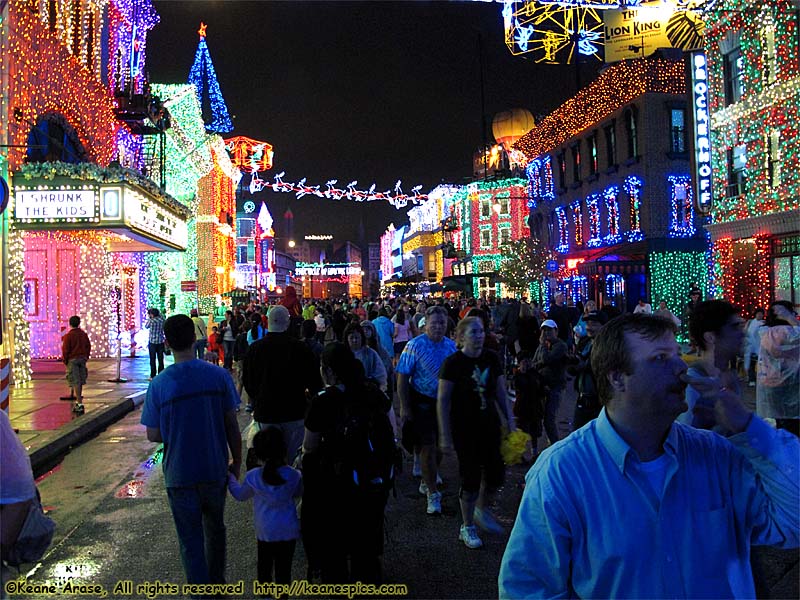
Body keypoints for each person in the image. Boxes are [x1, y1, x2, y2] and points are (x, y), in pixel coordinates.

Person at [499, 313, 800, 598]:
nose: (681, 368)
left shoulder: (716, 454)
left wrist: (749, 426)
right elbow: (529, 588)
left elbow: (791, 522)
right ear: (618, 378)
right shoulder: (562, 473)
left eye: (677, 354)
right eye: (660, 359)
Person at [140, 314, 242, 587]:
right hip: (214, 467)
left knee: (190, 540)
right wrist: (237, 462)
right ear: (192, 339)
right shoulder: (218, 375)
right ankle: (217, 584)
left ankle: (199, 592)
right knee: (216, 531)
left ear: (167, 342)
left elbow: (153, 434)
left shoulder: (160, 384)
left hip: (180, 473)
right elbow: (231, 424)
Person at [301, 343, 394, 583]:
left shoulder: (323, 400)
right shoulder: (371, 391)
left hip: (335, 476)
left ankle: (337, 580)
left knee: (336, 533)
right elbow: (391, 425)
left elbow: (309, 444)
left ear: (330, 371)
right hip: (371, 473)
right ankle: (368, 575)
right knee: (366, 530)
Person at [438, 317, 515, 549]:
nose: (479, 335)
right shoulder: (452, 363)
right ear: (461, 337)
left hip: (490, 425)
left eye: (481, 331)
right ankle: (467, 525)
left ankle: (483, 508)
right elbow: (443, 401)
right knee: (470, 478)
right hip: (464, 429)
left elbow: (501, 393)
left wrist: (511, 422)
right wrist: (444, 434)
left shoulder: (491, 358)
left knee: (496, 475)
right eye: (473, 332)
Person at [396, 306, 457, 515]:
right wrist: (404, 406)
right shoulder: (414, 346)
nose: (438, 327)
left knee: (440, 448)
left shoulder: (451, 347)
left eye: (442, 323)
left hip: (444, 403)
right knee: (427, 446)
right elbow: (402, 377)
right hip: (421, 401)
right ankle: (432, 493)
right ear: (426, 325)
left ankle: (427, 476)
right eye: (434, 323)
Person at [243, 305, 323, 462]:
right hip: (295, 411)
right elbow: (314, 381)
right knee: (293, 459)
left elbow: (248, 382)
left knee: (269, 460)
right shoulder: (300, 348)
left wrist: (257, 398)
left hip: (266, 412)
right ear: (287, 323)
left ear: (268, 323)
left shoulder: (255, 350)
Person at [228, 427, 302, 587]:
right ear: (284, 449)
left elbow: (240, 495)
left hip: (265, 532)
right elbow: (297, 493)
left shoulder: (253, 476)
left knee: (264, 569)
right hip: (288, 531)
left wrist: (231, 478)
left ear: (259, 454)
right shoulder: (293, 475)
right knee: (284, 572)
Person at [677, 300, 745, 429]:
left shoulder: (729, 378)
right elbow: (687, 437)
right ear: (710, 337)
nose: (742, 333)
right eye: (734, 327)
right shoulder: (694, 385)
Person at [757, 300, 800, 435]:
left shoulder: (764, 331)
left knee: (780, 421)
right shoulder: (786, 331)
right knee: (792, 423)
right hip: (790, 383)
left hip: (770, 382)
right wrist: (790, 318)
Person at [531, 319, 568, 445]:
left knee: (549, 419)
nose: (546, 333)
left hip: (555, 386)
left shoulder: (560, 346)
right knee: (540, 417)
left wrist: (542, 346)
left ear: (556, 331)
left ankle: (554, 444)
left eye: (549, 330)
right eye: (544, 330)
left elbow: (547, 359)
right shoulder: (542, 346)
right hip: (542, 386)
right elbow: (535, 362)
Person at [570, 311, 606, 430]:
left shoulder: (608, 346)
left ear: (603, 325)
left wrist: (585, 365)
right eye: (588, 323)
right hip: (583, 399)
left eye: (594, 324)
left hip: (601, 403)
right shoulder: (584, 342)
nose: (589, 327)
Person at [61, 315, 91, 414]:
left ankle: (79, 403)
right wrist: (86, 356)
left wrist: (65, 360)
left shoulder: (68, 336)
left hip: (73, 360)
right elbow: (88, 346)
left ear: (70, 324)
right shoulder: (83, 334)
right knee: (80, 380)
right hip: (82, 359)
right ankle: (79, 401)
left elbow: (65, 349)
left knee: (75, 381)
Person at [345, 323, 388, 392]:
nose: (354, 341)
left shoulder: (371, 353)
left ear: (362, 337)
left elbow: (381, 374)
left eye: (357, 337)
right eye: (351, 338)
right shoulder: (343, 353)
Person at [743, 307, 766, 388]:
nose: (760, 315)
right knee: (751, 363)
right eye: (758, 313)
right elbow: (745, 332)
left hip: (760, 347)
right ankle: (751, 379)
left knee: (761, 364)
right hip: (750, 346)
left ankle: (761, 380)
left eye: (761, 314)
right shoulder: (750, 322)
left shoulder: (764, 323)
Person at [145, 308, 166, 379]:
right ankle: (161, 374)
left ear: (151, 314)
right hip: (160, 341)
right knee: (160, 359)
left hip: (152, 342)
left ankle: (153, 375)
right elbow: (164, 324)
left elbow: (146, 326)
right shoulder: (162, 320)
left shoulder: (151, 321)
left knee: (152, 359)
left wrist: (150, 318)